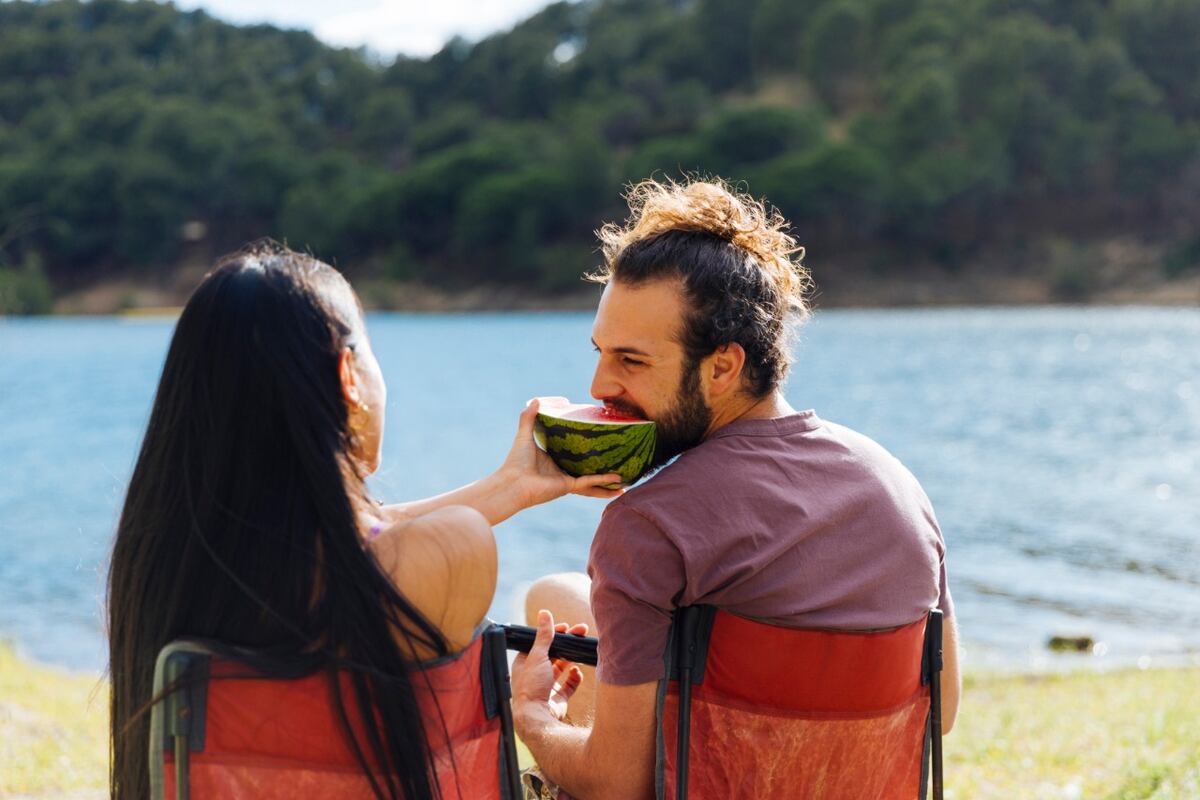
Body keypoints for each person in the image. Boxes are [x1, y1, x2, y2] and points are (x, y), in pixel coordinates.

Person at [106, 241, 621, 799]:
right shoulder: (446, 554)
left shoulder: (166, 562)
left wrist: (508, 488)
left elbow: (344, 541)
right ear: (348, 374)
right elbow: (380, 550)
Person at [510, 178, 961, 799]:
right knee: (556, 595)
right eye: (601, 353)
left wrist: (534, 717)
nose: (599, 386)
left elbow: (617, 784)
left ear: (722, 367)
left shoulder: (649, 526)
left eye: (631, 361)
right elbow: (942, 713)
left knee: (545, 611)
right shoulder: (902, 493)